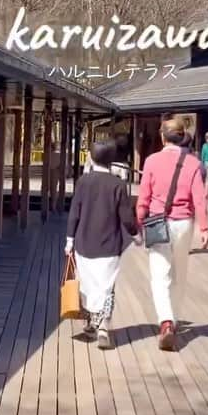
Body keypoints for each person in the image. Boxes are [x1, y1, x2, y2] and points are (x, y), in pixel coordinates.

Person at [137, 114, 208, 352]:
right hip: (184, 222)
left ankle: (165, 321)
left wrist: (139, 220)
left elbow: (144, 196)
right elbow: (200, 198)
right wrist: (205, 228)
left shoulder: (151, 161)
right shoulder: (194, 163)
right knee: (180, 273)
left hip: (158, 222)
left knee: (160, 275)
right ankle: (174, 320)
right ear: (182, 137)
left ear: (162, 137)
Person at [65, 138, 137, 349]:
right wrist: (135, 233)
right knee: (107, 286)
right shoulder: (118, 184)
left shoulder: (83, 181)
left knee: (87, 284)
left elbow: (74, 213)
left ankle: (90, 324)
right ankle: (104, 327)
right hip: (109, 244)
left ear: (91, 157)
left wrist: (69, 239)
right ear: (112, 159)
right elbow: (125, 216)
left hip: (83, 242)